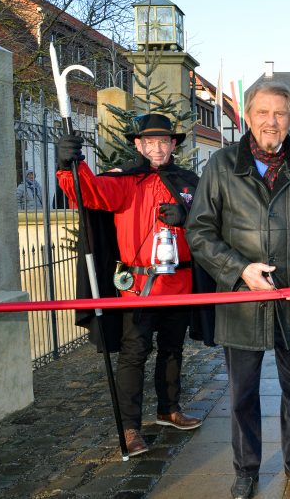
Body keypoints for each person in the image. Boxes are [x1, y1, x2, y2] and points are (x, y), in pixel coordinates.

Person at [185, 81, 290, 499]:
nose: (271, 122)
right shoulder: (220, 165)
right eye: (263, 113)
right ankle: (245, 468)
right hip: (242, 300)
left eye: (280, 114)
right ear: (248, 117)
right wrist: (239, 270)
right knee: (242, 394)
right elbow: (199, 231)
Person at [56, 113, 204, 458]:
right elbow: (87, 192)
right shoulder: (124, 181)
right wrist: (68, 165)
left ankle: (169, 410)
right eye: (149, 142)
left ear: (173, 145)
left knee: (172, 348)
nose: (157, 148)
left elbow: (212, 214)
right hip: (137, 286)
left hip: (180, 282)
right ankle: (130, 426)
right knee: (134, 353)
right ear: (138, 145)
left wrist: (187, 215)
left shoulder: (189, 181)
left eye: (164, 141)